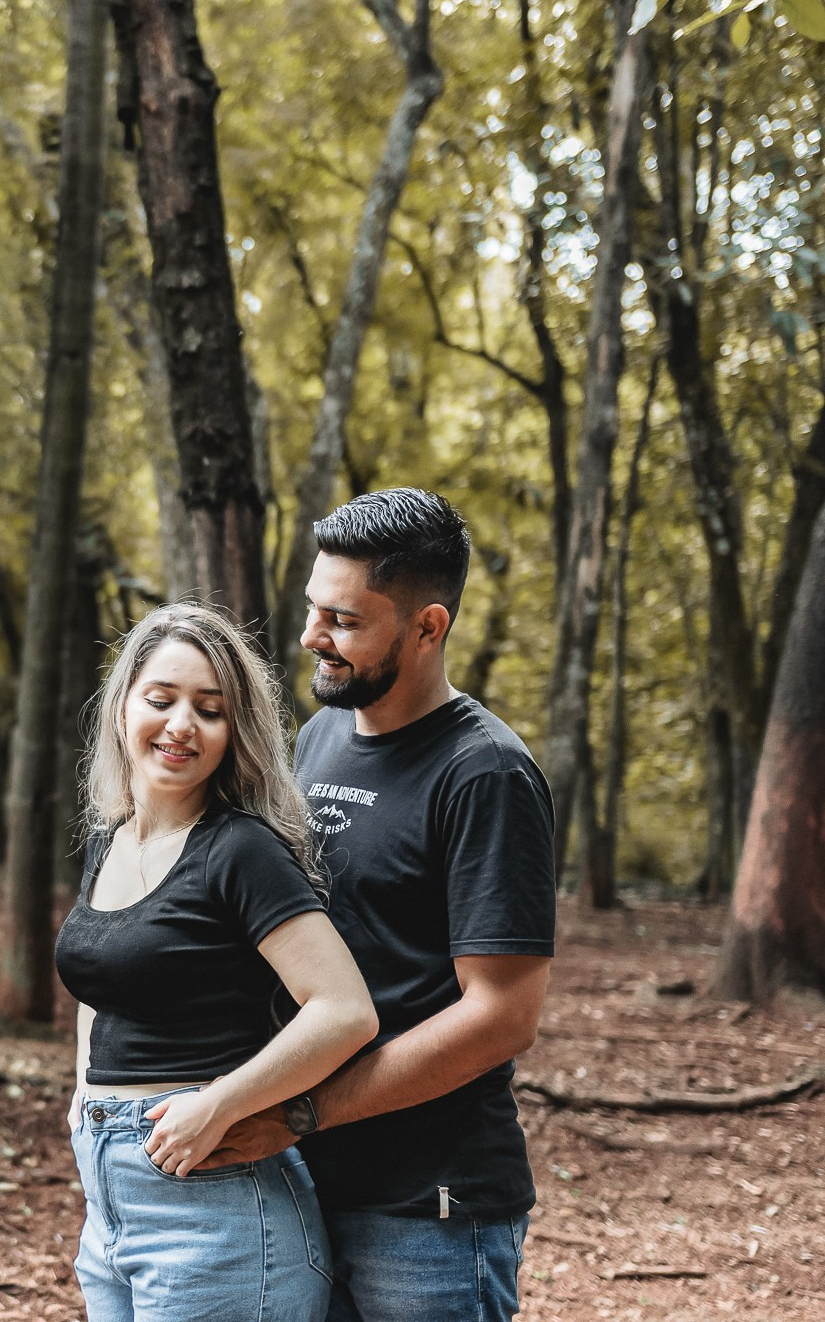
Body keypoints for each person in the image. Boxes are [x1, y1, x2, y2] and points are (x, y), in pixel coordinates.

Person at [199, 488, 555, 1321]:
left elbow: (502, 1016)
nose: (312, 637)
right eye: (314, 609)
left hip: (426, 1210)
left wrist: (303, 1110)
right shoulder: (320, 736)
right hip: (302, 1186)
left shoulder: (486, 774)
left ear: (428, 626)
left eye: (345, 620)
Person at [54, 601, 378, 1321]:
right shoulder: (114, 839)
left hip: (216, 1214)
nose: (180, 725)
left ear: (233, 734)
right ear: (122, 707)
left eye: (209, 709)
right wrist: (86, 1095)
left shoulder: (240, 850)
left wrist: (220, 1103)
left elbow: (345, 1010)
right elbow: (100, 980)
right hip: (109, 1205)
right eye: (161, 699)